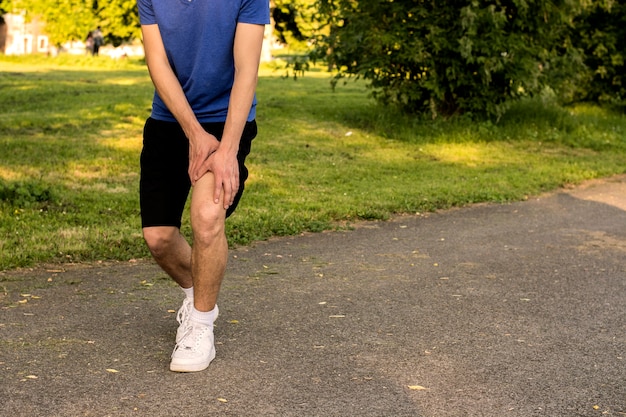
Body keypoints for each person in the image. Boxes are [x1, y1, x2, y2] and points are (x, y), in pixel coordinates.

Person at [136, 0, 270, 373]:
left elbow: (247, 70)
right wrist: (194, 134)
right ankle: (199, 296)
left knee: (207, 215)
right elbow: (157, 63)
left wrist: (227, 149)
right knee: (158, 238)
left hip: (228, 121)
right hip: (171, 120)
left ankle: (200, 325)